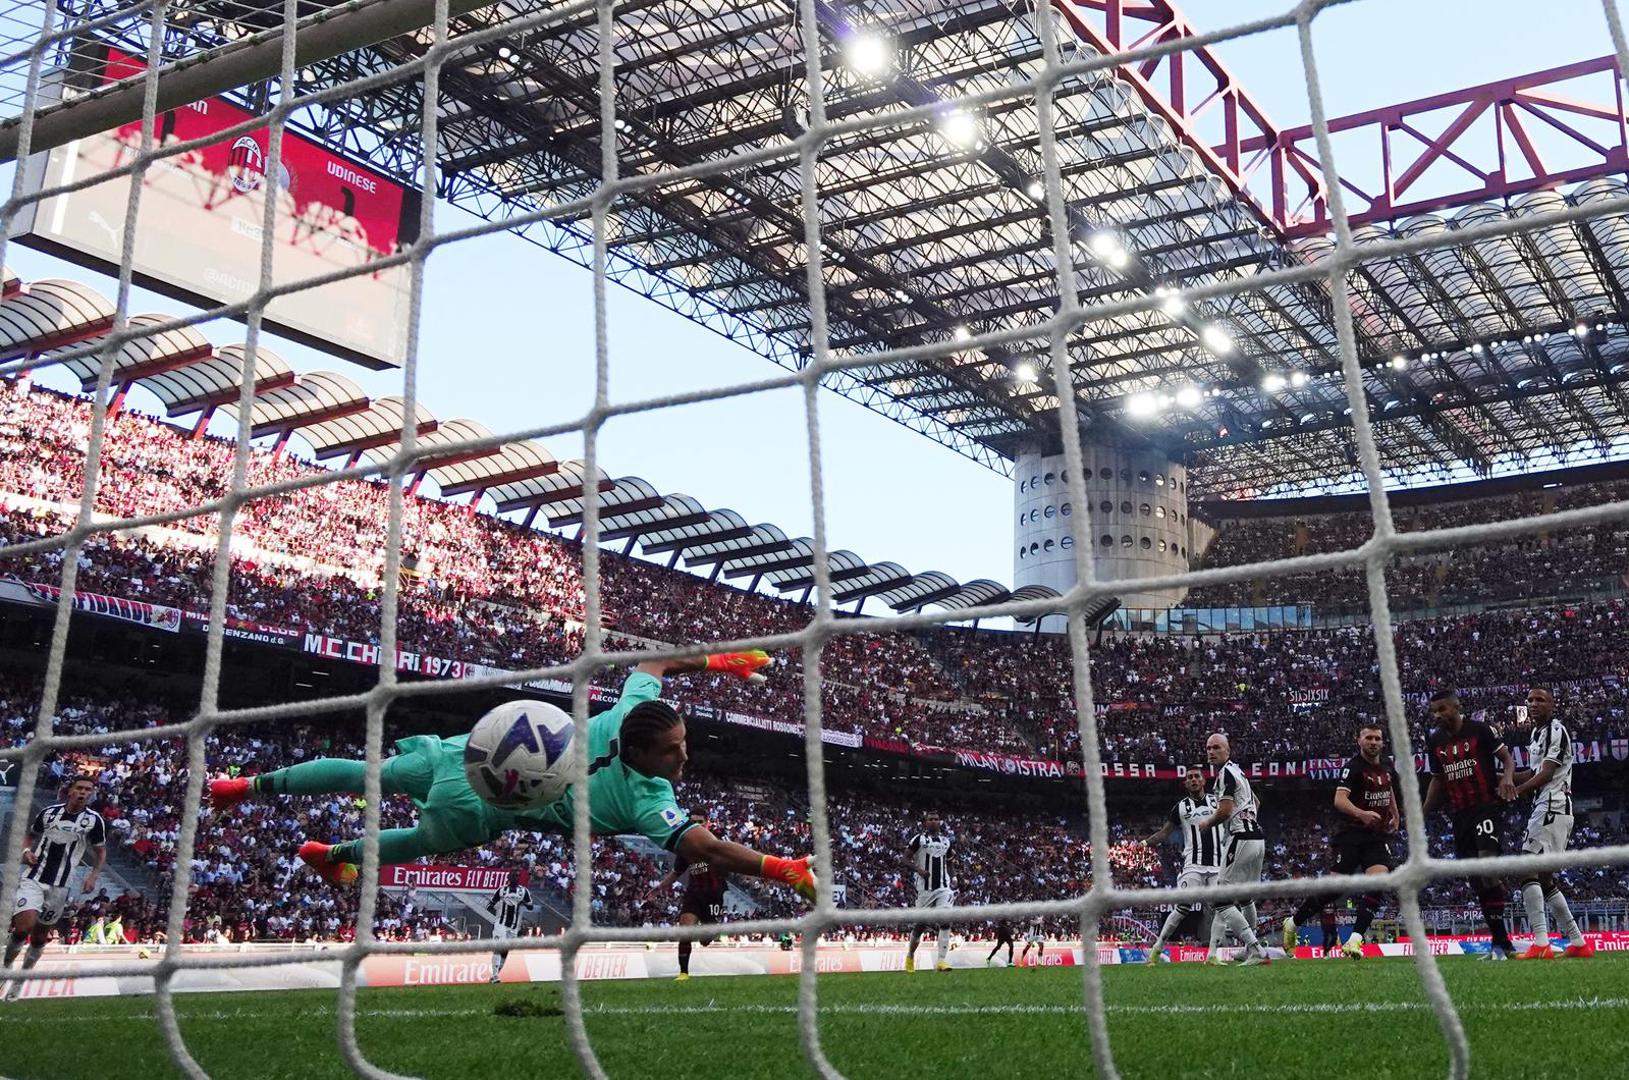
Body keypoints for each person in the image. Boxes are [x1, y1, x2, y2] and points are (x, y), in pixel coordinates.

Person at [208, 653, 816, 905]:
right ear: (639, 751)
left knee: (373, 773)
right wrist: (778, 867)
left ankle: (248, 786)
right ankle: (336, 853)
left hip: (474, 748)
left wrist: (717, 662)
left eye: (684, 746)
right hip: (483, 802)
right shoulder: (645, 801)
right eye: (672, 753)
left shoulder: (633, 709)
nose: (684, 760)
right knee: (416, 843)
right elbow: (704, 846)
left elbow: (651, 664)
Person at [1282, 723, 1401, 960]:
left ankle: (1355, 940)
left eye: (1377, 738)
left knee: (1378, 881)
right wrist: (1361, 814)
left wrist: (1395, 813)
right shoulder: (1353, 768)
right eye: (1369, 738)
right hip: (1351, 835)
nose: (1374, 742)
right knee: (1334, 890)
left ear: (1382, 742)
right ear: (1359, 741)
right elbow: (1339, 800)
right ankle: (1292, 923)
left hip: (1376, 837)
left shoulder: (1388, 765)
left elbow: (1390, 791)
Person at [1422, 689, 1518, 960]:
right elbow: (1438, 779)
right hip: (1459, 815)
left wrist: (1507, 778)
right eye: (1434, 712)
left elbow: (1507, 759)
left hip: (1485, 807)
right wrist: (1422, 812)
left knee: (1487, 867)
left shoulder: (1481, 730)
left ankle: (1503, 943)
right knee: (1476, 880)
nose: (1438, 715)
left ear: (1456, 706)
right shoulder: (1435, 740)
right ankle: (1500, 943)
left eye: (1442, 709)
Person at [4, 776, 105, 1001]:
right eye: (79, 788)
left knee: (40, 937)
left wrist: (93, 875)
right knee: (23, 928)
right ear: (69, 791)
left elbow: (100, 853)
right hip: (34, 877)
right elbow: (29, 837)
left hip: (61, 885)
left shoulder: (94, 821)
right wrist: (25, 852)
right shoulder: (49, 813)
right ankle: (5, 968)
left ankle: (21, 980)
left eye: (88, 789)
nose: (83, 792)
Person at [1511, 688, 1592, 960]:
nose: (1534, 704)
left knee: (1525, 868)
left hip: (1552, 806)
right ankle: (1578, 942)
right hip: (1546, 807)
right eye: (1530, 701)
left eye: (1540, 700)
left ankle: (1541, 942)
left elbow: (1546, 774)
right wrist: (1502, 776)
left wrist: (1516, 791)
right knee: (1544, 879)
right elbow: (1531, 773)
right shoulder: (1536, 735)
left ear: (1552, 705)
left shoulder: (1557, 730)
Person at [1199, 734, 1269, 966]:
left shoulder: (1225, 774)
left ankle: (1256, 948)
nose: (1211, 752)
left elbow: (1226, 810)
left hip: (1241, 839)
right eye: (1208, 748)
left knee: (1221, 900)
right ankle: (1251, 948)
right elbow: (1256, 804)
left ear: (1228, 751)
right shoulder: (1238, 772)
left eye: (1216, 747)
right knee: (1246, 898)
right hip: (1257, 838)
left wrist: (1207, 823)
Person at [1140, 769, 1222, 962]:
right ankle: (1157, 948)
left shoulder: (1217, 801)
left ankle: (1212, 954)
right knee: (1183, 907)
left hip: (1218, 866)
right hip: (1193, 865)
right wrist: (1145, 843)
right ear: (1185, 784)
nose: (1193, 780)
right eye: (1189, 778)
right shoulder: (1181, 807)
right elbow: (1164, 833)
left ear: (1204, 781)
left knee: (1221, 908)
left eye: (1197, 777)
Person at [648, 811, 730, 981]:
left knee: (705, 940)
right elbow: (676, 872)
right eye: (693, 822)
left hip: (714, 896)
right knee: (685, 931)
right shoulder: (685, 847)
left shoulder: (719, 844)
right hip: (693, 893)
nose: (697, 824)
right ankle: (683, 973)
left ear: (708, 823)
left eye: (700, 821)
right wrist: (659, 888)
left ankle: (711, 931)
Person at [902, 812, 953, 973]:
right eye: (930, 819)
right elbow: (904, 859)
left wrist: (955, 877)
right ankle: (910, 956)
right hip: (925, 888)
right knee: (920, 926)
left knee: (946, 919)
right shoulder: (918, 839)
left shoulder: (946, 841)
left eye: (936, 819)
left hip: (944, 887)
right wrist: (919, 870)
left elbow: (950, 862)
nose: (934, 821)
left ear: (940, 822)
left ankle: (941, 961)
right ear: (925, 822)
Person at [486, 870, 534, 983]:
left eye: (516, 875)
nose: (514, 877)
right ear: (509, 877)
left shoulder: (523, 891)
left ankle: (496, 974)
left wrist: (524, 904)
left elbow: (531, 906)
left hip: (513, 926)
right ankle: (495, 975)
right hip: (501, 924)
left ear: (519, 878)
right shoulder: (502, 890)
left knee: (505, 951)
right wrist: (497, 910)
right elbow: (490, 905)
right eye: (513, 875)